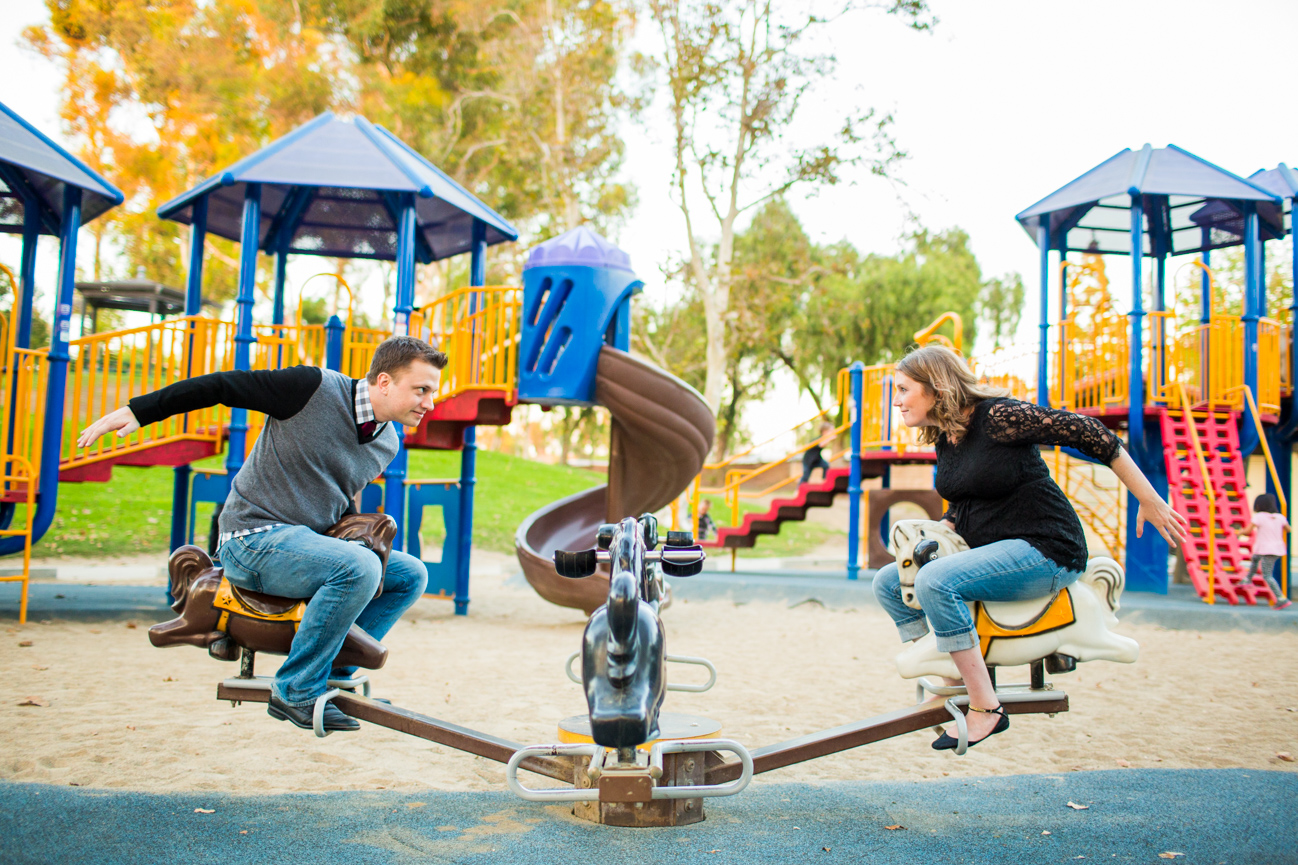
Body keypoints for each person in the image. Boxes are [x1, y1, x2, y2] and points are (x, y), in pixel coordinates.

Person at [76, 336, 447, 733]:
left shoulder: (388, 440)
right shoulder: (311, 389)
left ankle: (337, 669)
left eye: (432, 392)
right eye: (421, 390)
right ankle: (295, 689)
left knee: (409, 574)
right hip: (252, 539)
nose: (429, 402)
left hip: (304, 544)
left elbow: (339, 498)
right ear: (386, 382)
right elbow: (221, 386)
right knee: (359, 566)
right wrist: (140, 410)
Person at [872, 344, 1189, 750]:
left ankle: (987, 707)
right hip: (993, 548)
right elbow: (969, 498)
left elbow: (1094, 434)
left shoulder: (999, 417)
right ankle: (953, 677)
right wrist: (938, 530)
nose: (895, 400)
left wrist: (1149, 498)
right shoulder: (948, 436)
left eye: (902, 389)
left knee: (934, 581)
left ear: (937, 387)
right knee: (889, 581)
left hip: (1046, 549)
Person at [1238, 494, 1292, 610]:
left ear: (1258, 505)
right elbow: (1288, 529)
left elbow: (1247, 531)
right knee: (1255, 558)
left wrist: (1239, 532)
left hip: (1266, 549)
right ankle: (1247, 579)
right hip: (1276, 549)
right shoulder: (1279, 517)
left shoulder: (1259, 517)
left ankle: (1281, 598)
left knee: (1267, 574)